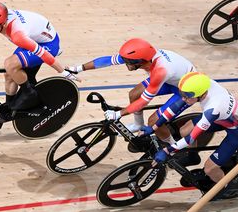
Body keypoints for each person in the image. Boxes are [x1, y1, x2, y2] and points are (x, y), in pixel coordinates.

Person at [0, 2, 78, 126]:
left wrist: (63, 71)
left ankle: (29, 93)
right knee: (9, 74)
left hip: (47, 45)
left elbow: (43, 54)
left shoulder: (18, 34)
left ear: (3, 24)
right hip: (33, 39)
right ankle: (8, 111)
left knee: (10, 64)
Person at [70, 38, 199, 160]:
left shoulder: (161, 70)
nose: (126, 64)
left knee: (154, 121)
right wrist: (78, 68)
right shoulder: (142, 56)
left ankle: (172, 147)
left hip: (188, 90)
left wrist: (118, 114)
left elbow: (143, 101)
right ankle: (138, 124)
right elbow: (108, 61)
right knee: (134, 94)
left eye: (129, 62)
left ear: (142, 61)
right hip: (173, 80)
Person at [146, 72, 238, 184]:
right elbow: (177, 105)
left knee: (210, 169)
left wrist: (166, 151)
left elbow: (191, 139)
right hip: (224, 118)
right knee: (184, 130)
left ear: (199, 95)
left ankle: (224, 187)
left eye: (187, 97)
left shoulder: (213, 109)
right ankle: (193, 157)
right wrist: (155, 126)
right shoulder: (203, 85)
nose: (183, 99)